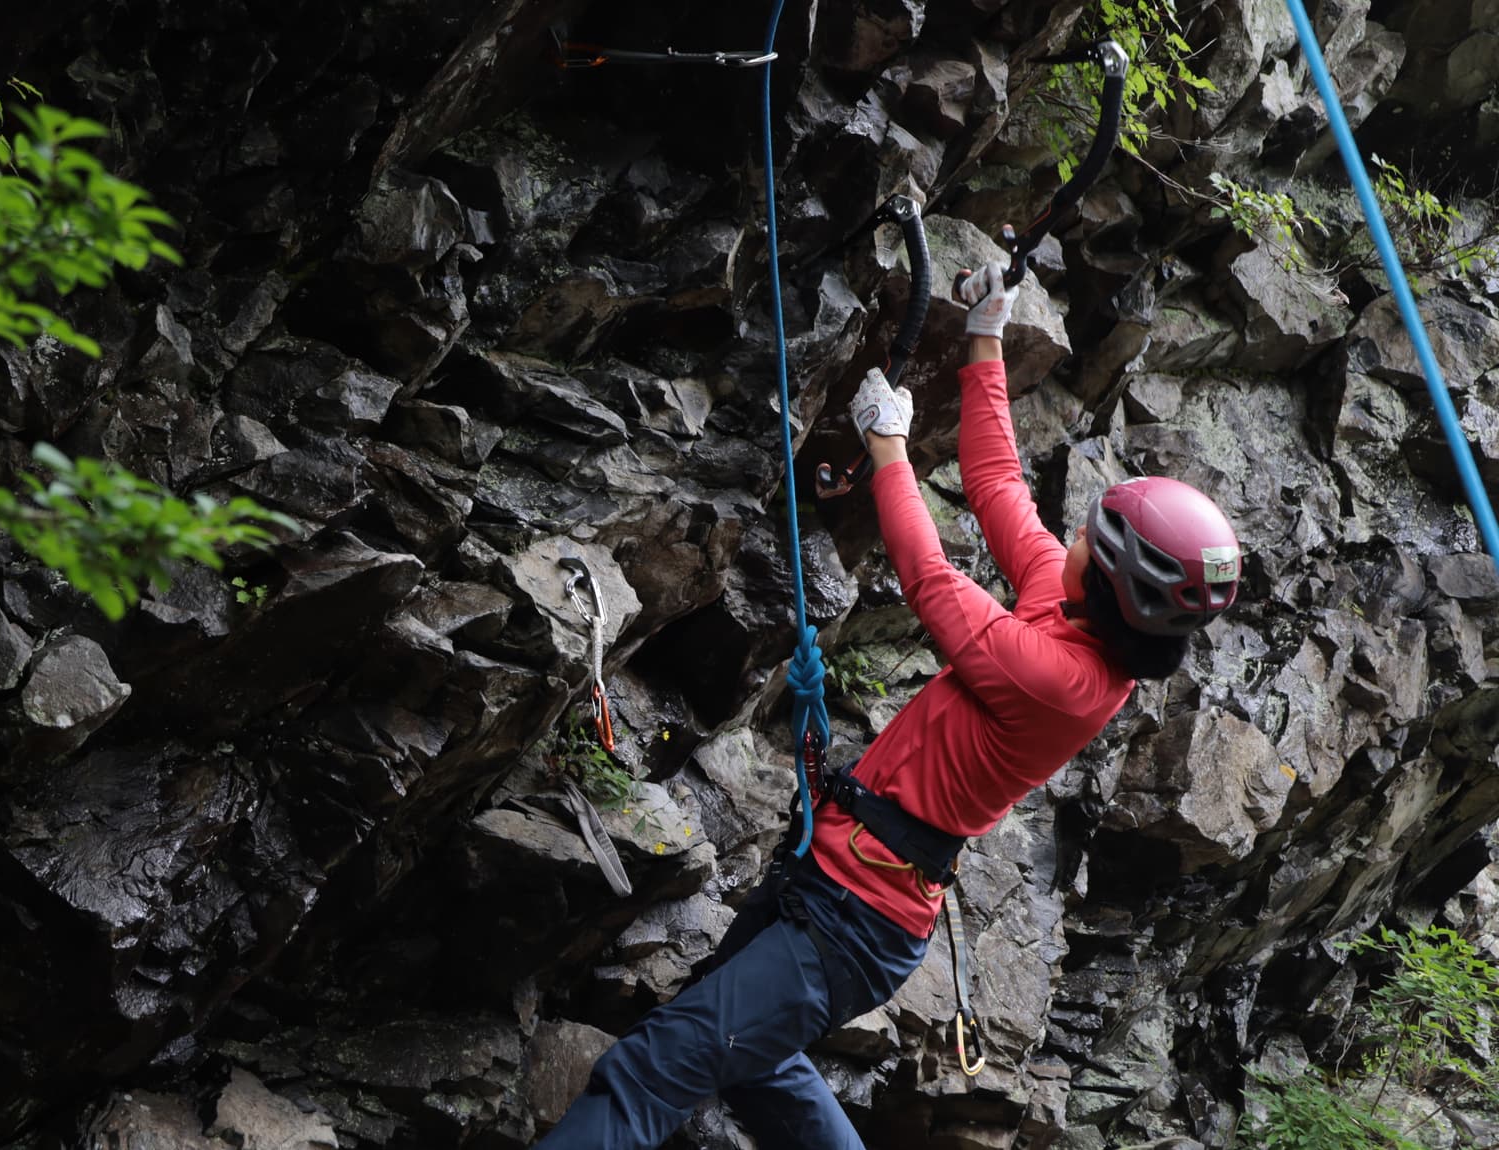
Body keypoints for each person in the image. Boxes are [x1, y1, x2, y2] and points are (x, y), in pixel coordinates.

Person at [533, 262, 1243, 1150]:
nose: (1065, 535)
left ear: (1108, 582)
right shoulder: (1068, 611)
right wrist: (985, 338)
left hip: (852, 920)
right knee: (751, 1060)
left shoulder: (1064, 680)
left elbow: (932, 584)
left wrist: (889, 449)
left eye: (1086, 538)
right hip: (835, 887)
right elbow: (998, 486)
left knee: (654, 1067)